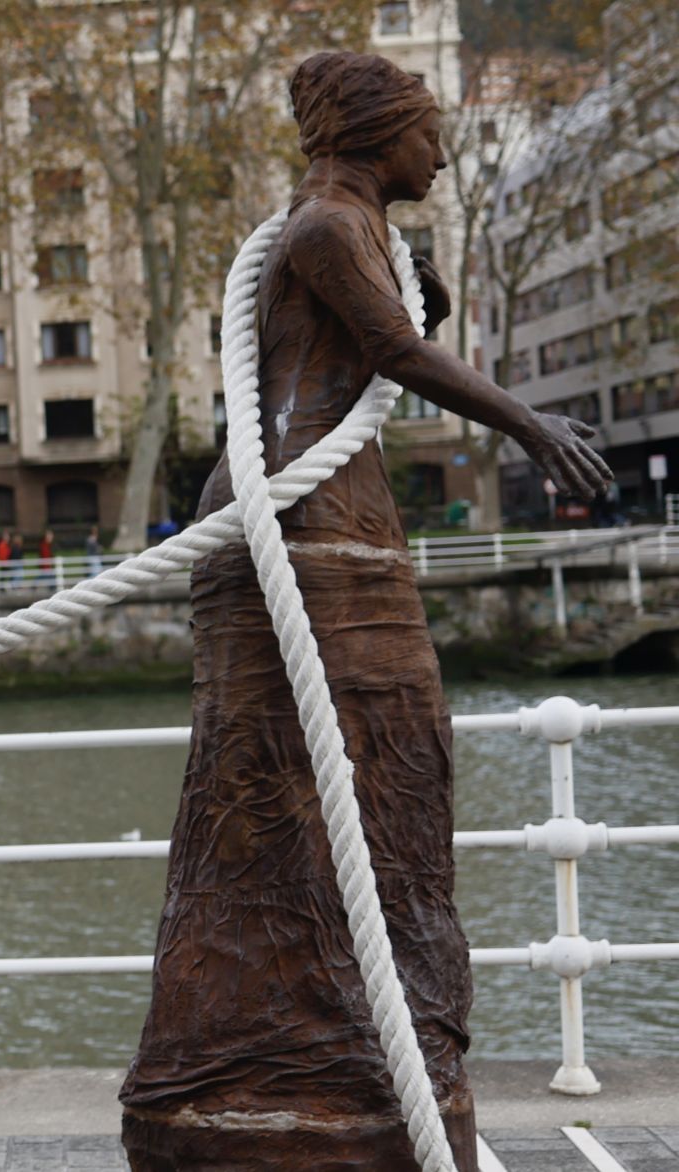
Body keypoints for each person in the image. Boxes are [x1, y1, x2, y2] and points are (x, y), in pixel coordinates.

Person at [119, 53, 610, 1171]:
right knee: (299, 788)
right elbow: (389, 351)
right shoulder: (326, 227)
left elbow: (367, 344)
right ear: (377, 133)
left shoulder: (347, 231)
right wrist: (529, 423)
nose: (440, 152)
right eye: (428, 130)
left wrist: (416, 284)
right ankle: (269, 1071)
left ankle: (351, 1058)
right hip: (301, 530)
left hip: (324, 520)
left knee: (384, 779)